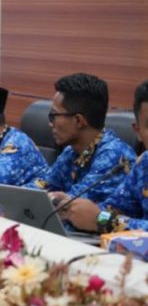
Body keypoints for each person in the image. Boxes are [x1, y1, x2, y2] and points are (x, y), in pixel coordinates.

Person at [26, 73, 135, 205]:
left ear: (79, 121)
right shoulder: (71, 152)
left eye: (53, 115)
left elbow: (74, 205)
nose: (50, 123)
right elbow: (43, 186)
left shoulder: (114, 156)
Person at [63, 80, 148, 233]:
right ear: (138, 131)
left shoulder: (115, 152)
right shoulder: (144, 165)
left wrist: (103, 222)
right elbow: (112, 209)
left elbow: (104, 219)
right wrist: (72, 209)